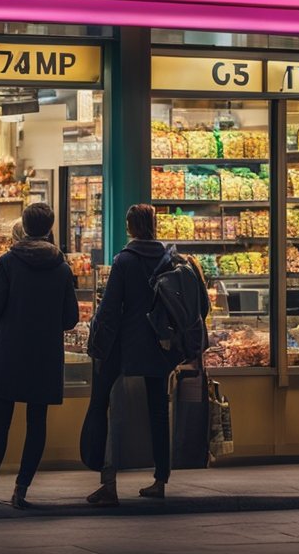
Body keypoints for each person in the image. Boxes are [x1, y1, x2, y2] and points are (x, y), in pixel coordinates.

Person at [0, 202, 78, 509]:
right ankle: (21, 491)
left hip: (9, 351)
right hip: (44, 355)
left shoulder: (7, 263)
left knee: (0, 422)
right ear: (49, 228)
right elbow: (70, 319)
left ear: (24, 227)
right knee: (37, 423)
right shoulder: (61, 268)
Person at [86, 204, 175, 506]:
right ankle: (160, 479)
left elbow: (110, 309)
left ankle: (108, 483)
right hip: (158, 346)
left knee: (107, 407)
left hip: (125, 345)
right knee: (159, 412)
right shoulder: (169, 259)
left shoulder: (124, 260)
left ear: (129, 227)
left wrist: (98, 344)